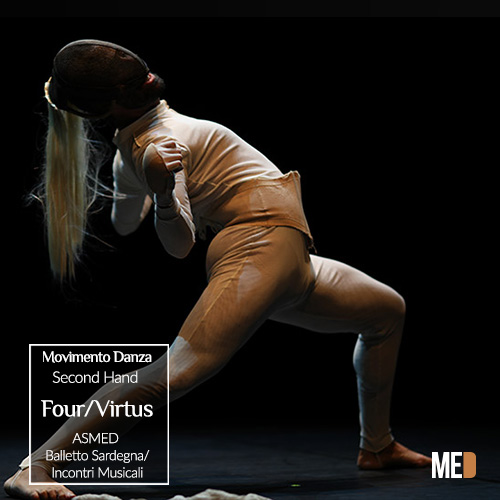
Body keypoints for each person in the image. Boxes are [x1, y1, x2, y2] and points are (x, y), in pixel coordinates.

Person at [4, 39, 431, 500]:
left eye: (135, 65)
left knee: (386, 311)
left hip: (292, 262)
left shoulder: (141, 146)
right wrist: (162, 194)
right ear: (110, 101)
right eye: (128, 76)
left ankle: (377, 446)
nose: (142, 71)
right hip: (257, 250)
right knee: (174, 373)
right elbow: (179, 246)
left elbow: (123, 223)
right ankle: (37, 466)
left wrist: (142, 182)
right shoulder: (160, 144)